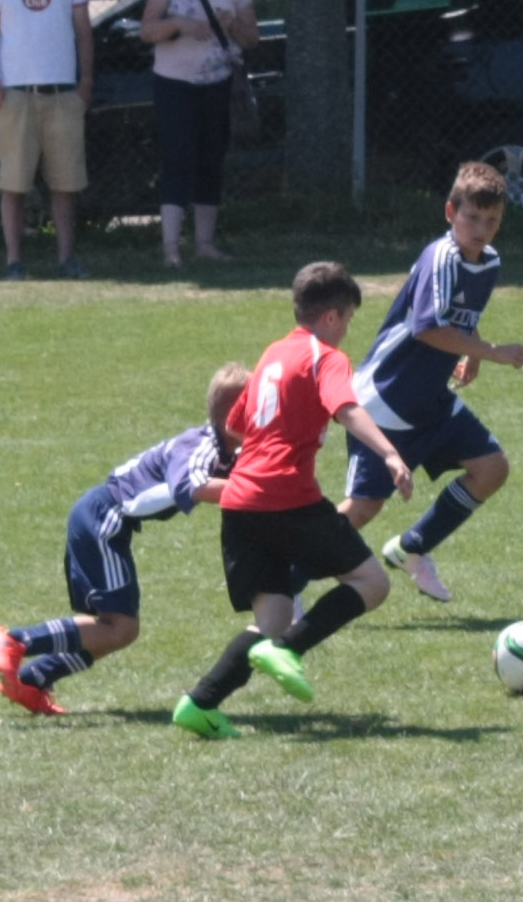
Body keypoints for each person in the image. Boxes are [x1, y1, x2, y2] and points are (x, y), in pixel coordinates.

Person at [172, 262, 415, 740]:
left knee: (273, 618)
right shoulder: (326, 356)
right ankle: (289, 649)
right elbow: (346, 408)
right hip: (285, 496)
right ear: (330, 317)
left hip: (240, 502)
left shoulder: (273, 354)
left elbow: (236, 425)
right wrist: (389, 453)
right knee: (372, 582)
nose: (346, 331)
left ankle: (199, 704)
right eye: (347, 320)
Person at [0, 362, 252, 715]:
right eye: (255, 409)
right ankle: (15, 640)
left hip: (105, 521)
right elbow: (191, 486)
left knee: (112, 630)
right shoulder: (201, 446)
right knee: (120, 628)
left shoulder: (227, 450)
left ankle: (33, 680)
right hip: (105, 518)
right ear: (234, 415)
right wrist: (255, 492)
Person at [340, 161, 523, 604]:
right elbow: (428, 327)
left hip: (429, 400)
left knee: (491, 468)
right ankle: (287, 579)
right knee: (364, 508)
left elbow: (463, 315)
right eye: (472, 217)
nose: (481, 230)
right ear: (450, 212)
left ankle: (412, 547)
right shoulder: (440, 257)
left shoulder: (488, 262)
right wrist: (494, 351)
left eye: (492, 220)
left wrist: (472, 351)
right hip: (386, 400)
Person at [0, 0, 93, 281]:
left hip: (62, 91)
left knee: (66, 183)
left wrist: (86, 81)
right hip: (15, 93)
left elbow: (83, 30)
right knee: (13, 184)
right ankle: (14, 262)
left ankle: (67, 259)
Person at [138, 0, 257, 269]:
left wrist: (232, 24)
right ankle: (171, 248)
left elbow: (252, 38)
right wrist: (178, 23)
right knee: (177, 158)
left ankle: (205, 243)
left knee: (210, 161)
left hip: (217, 83)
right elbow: (147, 30)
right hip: (174, 83)